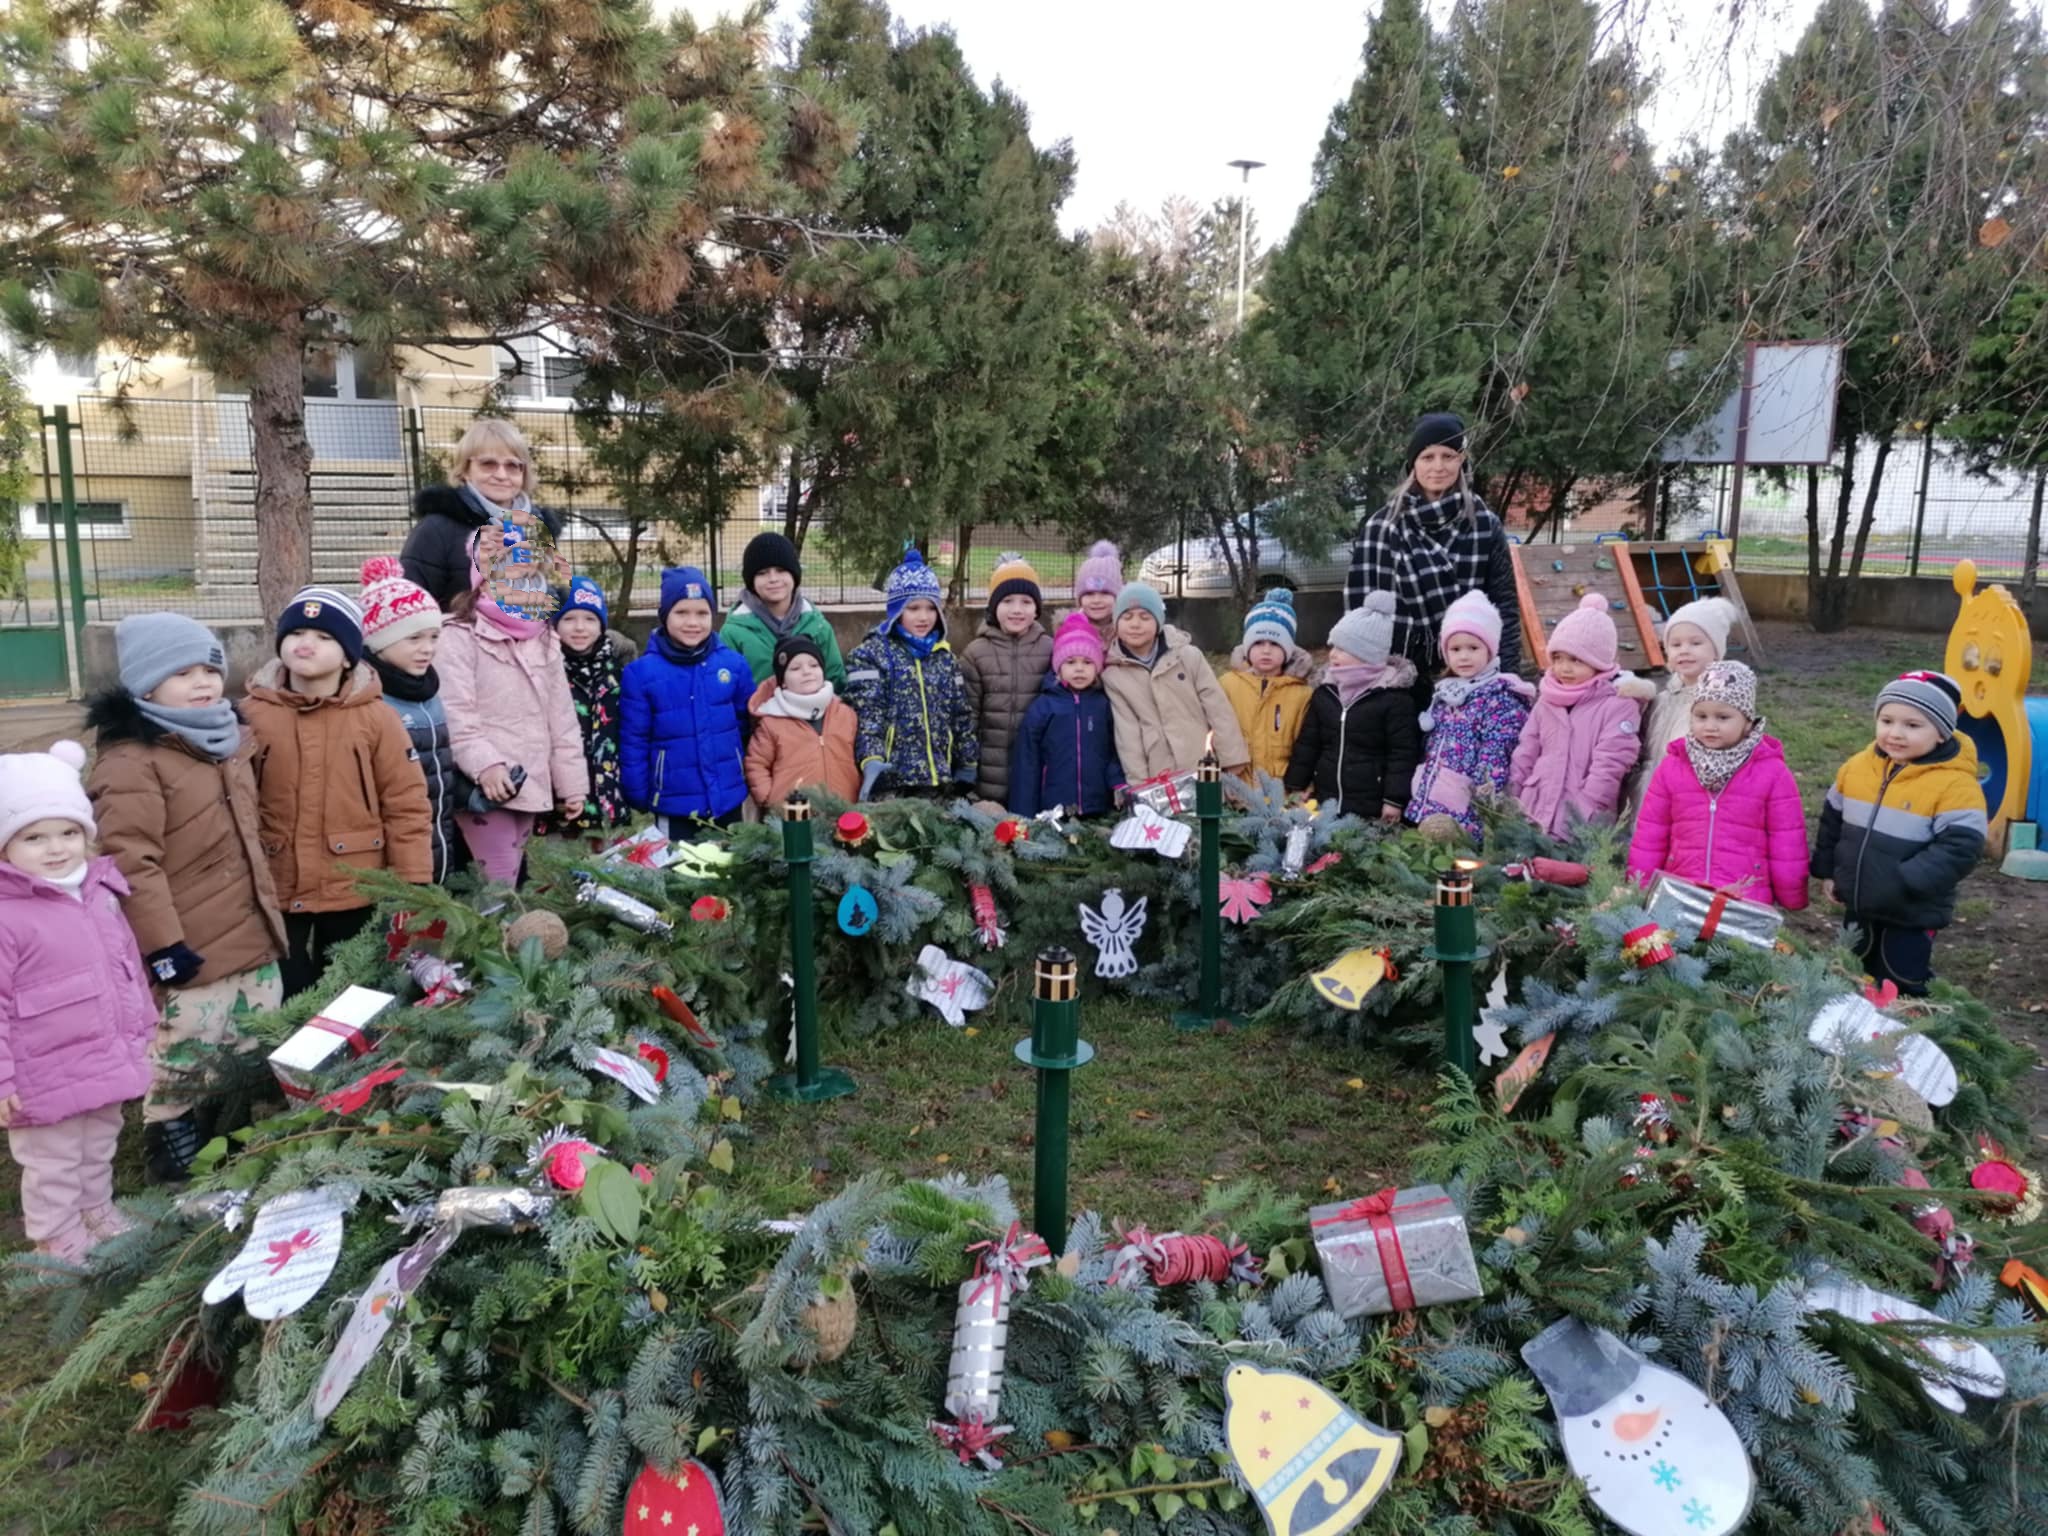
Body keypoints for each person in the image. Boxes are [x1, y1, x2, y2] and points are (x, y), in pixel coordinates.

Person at [84, 614, 288, 1186]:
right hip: (188, 941)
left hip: (249, 929)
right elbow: (131, 862)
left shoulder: (226, 739)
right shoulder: (131, 761)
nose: (202, 682)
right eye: (182, 673)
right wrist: (164, 946)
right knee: (187, 1043)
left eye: (209, 669)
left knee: (253, 1032)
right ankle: (171, 1135)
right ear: (146, 686)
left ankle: (231, 1125)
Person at [0, 742, 156, 1261]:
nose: (55, 848)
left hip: (102, 1054)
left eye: (68, 833)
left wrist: (144, 1029)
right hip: (41, 1070)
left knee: (98, 1142)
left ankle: (96, 1211)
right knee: (53, 1161)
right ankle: (58, 1239)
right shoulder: (7, 915)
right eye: (33, 837)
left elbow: (126, 966)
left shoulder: (98, 891)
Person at [244, 587, 434, 994]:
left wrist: (411, 880)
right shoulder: (252, 714)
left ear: (349, 655)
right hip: (275, 881)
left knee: (348, 989)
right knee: (283, 991)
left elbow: (406, 803)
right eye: (296, 633)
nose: (306, 643)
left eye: (324, 637)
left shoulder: (377, 718)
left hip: (354, 883)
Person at [1812, 671, 1986, 995]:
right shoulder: (1857, 768)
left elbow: (1962, 845)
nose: (1895, 733)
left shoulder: (1955, 784)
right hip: (1859, 900)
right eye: (1887, 721)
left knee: (1901, 977)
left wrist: (1910, 879)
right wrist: (1829, 870)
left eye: (1912, 725)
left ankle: (1906, 1018)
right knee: (1849, 968)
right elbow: (1832, 821)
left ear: (1941, 733)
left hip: (1910, 910)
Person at [437, 531, 589, 884]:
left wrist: (572, 785)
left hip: (530, 780)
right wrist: (487, 766)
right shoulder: (457, 634)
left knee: (513, 882)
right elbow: (456, 713)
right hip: (486, 786)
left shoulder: (544, 636)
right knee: (500, 886)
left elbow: (562, 719)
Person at [1347, 412, 1522, 712]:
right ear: (1413, 464)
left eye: (1448, 456)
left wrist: (1506, 679)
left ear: (1461, 461)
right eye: (1427, 457)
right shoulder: (1381, 527)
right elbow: (1360, 612)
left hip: (1470, 666)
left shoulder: (1484, 525)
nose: (1438, 466)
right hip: (1398, 673)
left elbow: (1503, 605)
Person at [1627, 660, 1809, 908]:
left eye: (1723, 717)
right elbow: (1651, 833)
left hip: (1744, 898)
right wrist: (1639, 887)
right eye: (1701, 716)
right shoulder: (1672, 768)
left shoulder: (1773, 773)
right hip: (1680, 892)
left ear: (1747, 721)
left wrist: (1792, 895)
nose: (1710, 726)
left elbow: (1787, 840)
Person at [1508, 594, 1654, 839]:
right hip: (1534, 808)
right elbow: (1527, 749)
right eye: (1558, 658)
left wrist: (1589, 806)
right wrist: (1514, 795)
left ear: (1599, 662)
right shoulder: (1547, 699)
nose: (1564, 668)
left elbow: (1612, 761)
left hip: (1580, 817)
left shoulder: (1618, 703)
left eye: (1576, 660)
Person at [622, 566, 754, 830]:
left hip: (728, 797)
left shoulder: (734, 665)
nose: (693, 622)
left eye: (702, 613)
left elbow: (746, 727)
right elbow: (634, 740)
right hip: (672, 803)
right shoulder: (641, 674)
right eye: (681, 612)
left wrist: (743, 774)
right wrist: (638, 793)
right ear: (664, 616)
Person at [358, 556, 463, 883]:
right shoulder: (370, 701)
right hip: (390, 865)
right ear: (379, 641)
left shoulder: (431, 694)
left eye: (433, 637)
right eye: (413, 638)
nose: (427, 649)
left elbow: (438, 769)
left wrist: (469, 795)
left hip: (439, 845)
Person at [845, 547, 977, 801]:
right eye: (913, 608)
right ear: (897, 611)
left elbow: (960, 714)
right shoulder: (871, 655)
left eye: (931, 608)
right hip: (893, 784)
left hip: (939, 781)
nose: (923, 617)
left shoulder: (945, 657)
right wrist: (871, 760)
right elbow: (868, 716)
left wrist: (967, 760)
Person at [1405, 589, 1534, 842]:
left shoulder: (1500, 698)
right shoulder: (1446, 693)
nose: (1463, 656)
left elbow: (1496, 754)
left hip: (1467, 809)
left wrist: (1483, 802)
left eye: (1473, 647)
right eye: (1455, 649)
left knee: (1458, 858)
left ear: (1489, 650)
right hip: (1432, 797)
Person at [1285, 592, 1421, 820]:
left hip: (1371, 808)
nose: (1333, 655)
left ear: (1367, 654)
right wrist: (1296, 784)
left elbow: (1402, 755)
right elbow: (1308, 743)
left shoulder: (1394, 699)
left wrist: (1394, 800)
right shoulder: (1325, 692)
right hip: (1326, 802)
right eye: (1333, 647)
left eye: (1342, 649)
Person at [402, 419, 565, 610]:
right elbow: (411, 607)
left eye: (512, 465)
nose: (502, 475)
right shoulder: (435, 530)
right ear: (465, 470)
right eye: (488, 464)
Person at [1099, 581, 1249, 781]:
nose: (1135, 624)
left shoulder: (1188, 656)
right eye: (1127, 617)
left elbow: (1217, 708)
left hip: (1201, 758)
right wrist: (1138, 783)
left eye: (1145, 617)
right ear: (1116, 623)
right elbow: (1128, 735)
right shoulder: (1114, 676)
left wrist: (1232, 757)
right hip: (1159, 770)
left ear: (1159, 622)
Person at [1626, 596, 1737, 814]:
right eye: (1676, 644)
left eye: (1695, 643)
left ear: (1716, 650)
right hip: (1647, 792)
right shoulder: (1663, 699)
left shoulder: (1720, 704)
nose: (1684, 650)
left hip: (1688, 800)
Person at [1011, 612, 1126, 817]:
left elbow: (1114, 750)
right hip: (1054, 809)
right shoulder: (1044, 706)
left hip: (1098, 807)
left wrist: (1117, 783)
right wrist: (1023, 814)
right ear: (1058, 667)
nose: (1079, 669)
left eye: (1087, 662)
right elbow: (1027, 762)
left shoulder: (1103, 704)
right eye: (1071, 662)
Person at [961, 553, 1053, 804]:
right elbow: (968, 717)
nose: (1017, 610)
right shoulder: (975, 653)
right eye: (1007, 601)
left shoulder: (1051, 650)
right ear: (993, 606)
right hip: (987, 778)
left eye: (1026, 602)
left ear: (1037, 608)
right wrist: (967, 768)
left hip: (1035, 775)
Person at [540, 575, 625, 839]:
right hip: (561, 798)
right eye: (569, 619)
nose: (580, 628)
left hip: (608, 792)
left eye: (589, 619)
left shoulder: (616, 671)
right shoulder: (544, 670)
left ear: (602, 624)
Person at [720, 531, 846, 690]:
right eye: (762, 573)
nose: (773, 579)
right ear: (751, 581)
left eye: (781, 570)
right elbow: (727, 689)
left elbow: (836, 680)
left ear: (794, 575)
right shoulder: (733, 632)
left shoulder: (818, 626)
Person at [745, 636, 859, 809]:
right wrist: (770, 799)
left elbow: (859, 757)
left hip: (844, 809)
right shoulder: (771, 721)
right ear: (782, 681)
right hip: (793, 814)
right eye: (795, 668)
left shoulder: (845, 714)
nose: (807, 672)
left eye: (814, 665)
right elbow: (756, 764)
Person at [1220, 588, 1314, 786]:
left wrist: (1301, 785)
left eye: (1275, 643)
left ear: (1288, 649)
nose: (1266, 650)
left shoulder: (1302, 694)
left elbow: (1308, 747)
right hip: (1236, 788)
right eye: (1258, 643)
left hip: (1282, 790)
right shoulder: (1228, 685)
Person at [1070, 540, 1124, 648]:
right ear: (1080, 599)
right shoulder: (1070, 631)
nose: (1096, 600)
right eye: (1089, 593)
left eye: (1105, 593)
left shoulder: (1128, 631)